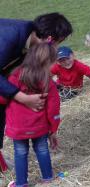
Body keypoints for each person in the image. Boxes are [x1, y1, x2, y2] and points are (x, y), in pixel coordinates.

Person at [0, 13, 72, 168]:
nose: (57, 48)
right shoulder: (11, 36)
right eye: (58, 43)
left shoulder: (30, 43)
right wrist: (22, 98)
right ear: (49, 39)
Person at [1, 43, 60, 187]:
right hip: (40, 127)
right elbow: (53, 108)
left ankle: (21, 183)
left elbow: (3, 98)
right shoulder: (47, 81)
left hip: (18, 128)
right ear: (47, 62)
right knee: (42, 149)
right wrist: (53, 129)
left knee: (20, 153)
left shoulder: (14, 76)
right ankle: (47, 177)